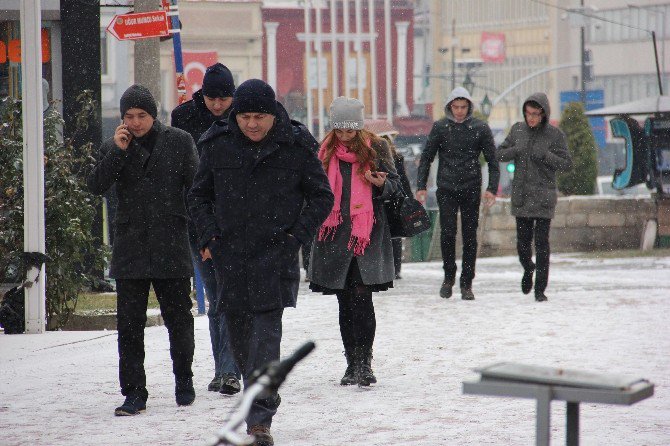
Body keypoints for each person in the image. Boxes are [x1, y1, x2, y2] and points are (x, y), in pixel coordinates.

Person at [188, 79, 333, 446]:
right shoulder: (217, 145)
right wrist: (210, 238)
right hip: (230, 256)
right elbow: (198, 197)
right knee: (239, 340)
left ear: (273, 115)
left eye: (260, 117)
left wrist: (294, 238)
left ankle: (259, 420)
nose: (252, 125)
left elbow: (321, 197)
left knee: (265, 337)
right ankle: (258, 396)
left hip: (275, 256)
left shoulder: (296, 146)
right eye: (246, 117)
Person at [87, 84, 199, 416]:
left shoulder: (179, 141)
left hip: (171, 243)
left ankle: (184, 378)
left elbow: (196, 191)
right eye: (129, 116)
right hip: (131, 247)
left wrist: (202, 238)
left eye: (142, 116)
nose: (135, 123)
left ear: (154, 115)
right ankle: (134, 392)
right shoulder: (115, 146)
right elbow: (96, 185)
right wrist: (119, 152)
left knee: (179, 320)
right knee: (129, 326)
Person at [308, 97, 401, 387]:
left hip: (367, 235)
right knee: (344, 301)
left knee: (362, 297)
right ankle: (350, 362)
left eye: (350, 131)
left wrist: (381, 184)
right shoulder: (323, 151)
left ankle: (365, 362)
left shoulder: (377, 148)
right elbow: (311, 189)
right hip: (335, 235)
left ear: (359, 129)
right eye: (340, 131)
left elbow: (397, 186)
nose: (345, 136)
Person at [170, 63, 241, 395]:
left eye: (224, 98)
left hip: (237, 223)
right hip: (198, 222)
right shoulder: (183, 119)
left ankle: (229, 369)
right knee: (216, 297)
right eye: (212, 97)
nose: (217, 105)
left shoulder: (246, 117)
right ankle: (223, 369)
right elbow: (185, 182)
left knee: (229, 296)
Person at [415, 86, 500, 301]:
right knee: (448, 234)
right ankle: (448, 277)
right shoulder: (441, 127)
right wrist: (421, 186)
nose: (460, 111)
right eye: (456, 107)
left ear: (469, 107)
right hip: (447, 187)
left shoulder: (480, 128)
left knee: (470, 236)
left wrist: (491, 189)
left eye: (463, 107)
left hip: (471, 187)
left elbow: (492, 161)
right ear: (450, 107)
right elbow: (427, 157)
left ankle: (467, 282)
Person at [496, 92, 572, 302]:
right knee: (522, 244)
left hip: (544, 196)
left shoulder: (554, 135)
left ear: (544, 114)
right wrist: (515, 149)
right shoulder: (517, 130)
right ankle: (528, 268)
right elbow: (499, 154)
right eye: (528, 113)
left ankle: (540, 289)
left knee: (542, 244)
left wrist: (546, 155)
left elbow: (567, 164)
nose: (531, 118)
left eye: (536, 114)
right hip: (521, 196)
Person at [377, 130, 413, 279]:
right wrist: (408, 197)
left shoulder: (376, 157)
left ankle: (386, 267)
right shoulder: (397, 157)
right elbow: (403, 180)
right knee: (395, 234)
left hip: (381, 199)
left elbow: (401, 178)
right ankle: (395, 269)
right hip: (394, 198)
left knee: (382, 235)